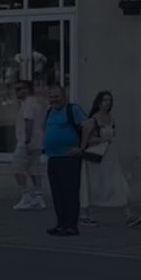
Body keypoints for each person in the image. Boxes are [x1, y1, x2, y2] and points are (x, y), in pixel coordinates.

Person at [79, 91, 141, 229]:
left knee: (119, 183)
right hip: (96, 158)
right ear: (99, 102)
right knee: (93, 186)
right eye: (105, 100)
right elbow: (85, 143)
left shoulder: (111, 118)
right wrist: (103, 139)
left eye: (109, 100)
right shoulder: (93, 120)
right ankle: (85, 215)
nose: (107, 103)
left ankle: (128, 215)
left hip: (110, 157)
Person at [43, 85, 86, 236]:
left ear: (64, 97)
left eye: (57, 96)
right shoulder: (50, 112)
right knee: (58, 193)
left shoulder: (72, 109)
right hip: (53, 158)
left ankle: (71, 226)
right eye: (51, 97)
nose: (54, 100)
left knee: (70, 193)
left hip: (69, 158)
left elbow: (88, 126)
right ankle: (61, 224)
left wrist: (81, 147)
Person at [11, 81, 47, 211]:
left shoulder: (28, 104)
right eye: (16, 89)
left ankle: (26, 196)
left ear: (28, 89)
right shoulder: (37, 103)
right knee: (34, 169)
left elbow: (28, 123)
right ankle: (38, 197)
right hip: (37, 141)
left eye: (20, 89)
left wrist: (26, 141)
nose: (17, 92)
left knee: (17, 167)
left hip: (26, 142)